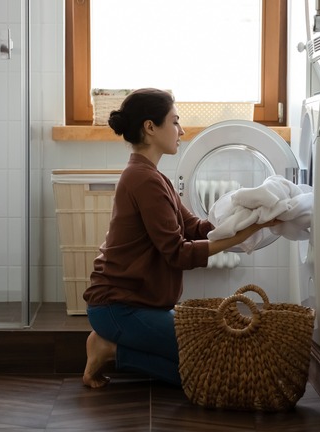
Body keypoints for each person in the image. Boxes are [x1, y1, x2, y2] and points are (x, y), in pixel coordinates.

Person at [82, 88, 278, 388]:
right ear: (150, 127)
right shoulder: (143, 179)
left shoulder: (154, 176)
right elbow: (178, 253)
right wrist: (245, 234)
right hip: (118, 307)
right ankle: (109, 349)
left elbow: (196, 227)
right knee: (206, 374)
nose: (181, 130)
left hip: (140, 305)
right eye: (174, 122)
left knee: (209, 360)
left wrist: (246, 215)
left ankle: (112, 347)